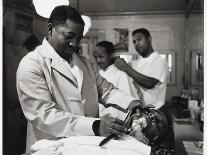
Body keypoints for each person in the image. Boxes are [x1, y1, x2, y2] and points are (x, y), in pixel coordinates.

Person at [16, 5, 142, 152]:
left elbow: (107, 91)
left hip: (87, 146)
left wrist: (132, 103)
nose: (75, 44)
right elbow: (45, 116)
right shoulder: (32, 64)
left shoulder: (85, 63)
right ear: (50, 29)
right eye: (69, 36)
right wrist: (95, 126)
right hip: (53, 148)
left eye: (79, 38)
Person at [114, 28, 169, 109]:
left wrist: (125, 67)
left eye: (139, 39)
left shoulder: (159, 61)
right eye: (134, 42)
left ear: (149, 39)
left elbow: (149, 83)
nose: (136, 44)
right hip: (138, 111)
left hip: (153, 112)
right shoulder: (135, 63)